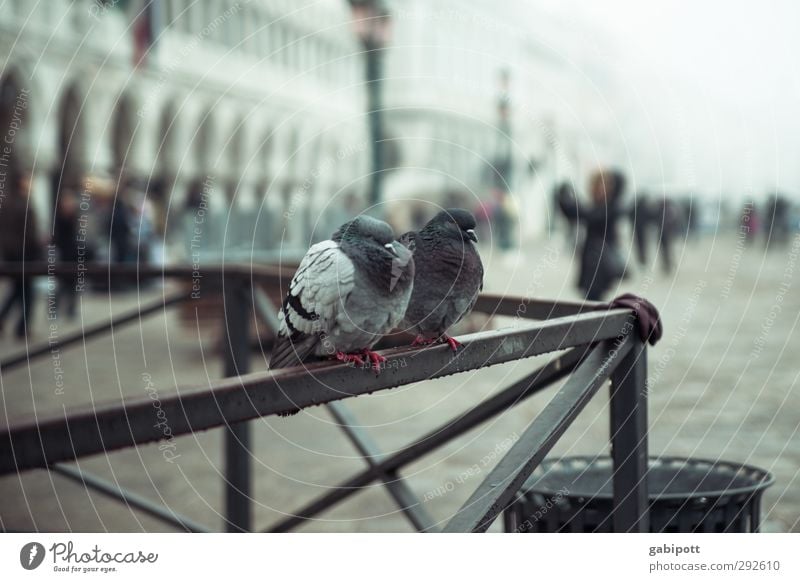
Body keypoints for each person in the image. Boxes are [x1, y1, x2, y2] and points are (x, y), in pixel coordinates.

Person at [564, 169, 628, 301]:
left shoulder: (611, 207)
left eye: (606, 185)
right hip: (591, 263)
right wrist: (564, 196)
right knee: (591, 300)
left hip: (602, 265)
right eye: (598, 185)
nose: (601, 189)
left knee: (595, 301)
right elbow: (575, 212)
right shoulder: (596, 206)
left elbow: (585, 214)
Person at [0, 175, 43, 337]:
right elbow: (30, 234)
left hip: (11, 255)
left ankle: (3, 319)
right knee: (28, 294)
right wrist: (37, 252)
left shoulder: (6, 204)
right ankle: (22, 328)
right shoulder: (25, 206)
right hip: (25, 256)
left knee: (18, 290)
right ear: (21, 183)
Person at [52, 192, 80, 319]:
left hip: (74, 255)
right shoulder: (59, 219)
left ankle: (71, 309)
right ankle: (54, 308)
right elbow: (57, 238)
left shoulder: (74, 217)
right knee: (61, 284)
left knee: (73, 285)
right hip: (63, 256)